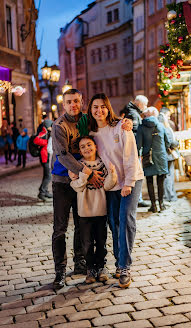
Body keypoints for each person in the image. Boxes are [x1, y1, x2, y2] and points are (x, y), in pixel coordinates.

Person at [51, 88, 132, 290]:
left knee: (83, 225)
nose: (73, 105)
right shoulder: (59, 125)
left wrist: (129, 123)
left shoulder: (89, 119)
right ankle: (60, 272)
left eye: (76, 101)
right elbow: (62, 155)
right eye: (69, 102)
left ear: (81, 101)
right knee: (60, 228)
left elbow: (110, 124)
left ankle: (84, 264)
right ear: (64, 104)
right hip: (63, 180)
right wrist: (86, 170)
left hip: (87, 180)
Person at [88, 93, 144, 288]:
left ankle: (125, 266)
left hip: (131, 179)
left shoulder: (121, 126)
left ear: (108, 108)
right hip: (111, 184)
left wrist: (128, 183)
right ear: (90, 110)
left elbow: (131, 156)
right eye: (95, 107)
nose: (99, 110)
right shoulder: (92, 133)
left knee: (126, 219)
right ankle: (120, 262)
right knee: (114, 222)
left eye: (103, 106)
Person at [69, 136, 117, 284]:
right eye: (82, 147)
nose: (86, 148)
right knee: (87, 243)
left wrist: (112, 172)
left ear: (96, 146)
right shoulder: (79, 166)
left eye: (89, 145)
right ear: (80, 151)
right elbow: (77, 186)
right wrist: (83, 176)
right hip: (85, 211)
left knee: (101, 240)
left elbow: (108, 185)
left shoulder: (102, 164)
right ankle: (90, 268)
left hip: (101, 210)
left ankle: (101, 267)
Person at [137, 107, 170, 213]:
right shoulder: (161, 125)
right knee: (161, 181)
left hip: (148, 158)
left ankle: (153, 206)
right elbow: (167, 142)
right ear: (155, 115)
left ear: (146, 115)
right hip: (161, 157)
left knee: (150, 181)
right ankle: (161, 204)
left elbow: (138, 145)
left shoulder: (141, 127)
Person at [120, 95, 149, 207]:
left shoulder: (131, 111)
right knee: (135, 174)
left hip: (135, 150)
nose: (145, 107)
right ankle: (137, 199)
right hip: (134, 150)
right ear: (139, 104)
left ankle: (137, 198)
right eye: (145, 104)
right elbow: (134, 134)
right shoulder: (133, 114)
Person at [158, 107, 179, 202]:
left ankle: (169, 195)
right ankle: (169, 195)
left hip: (164, 154)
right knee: (168, 176)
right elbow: (169, 141)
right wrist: (176, 144)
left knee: (167, 176)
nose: (169, 117)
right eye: (168, 115)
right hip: (168, 154)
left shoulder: (160, 123)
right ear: (164, 114)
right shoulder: (164, 124)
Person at [34, 119, 53, 201]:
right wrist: (47, 142)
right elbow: (36, 140)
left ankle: (45, 191)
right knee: (49, 176)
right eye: (51, 125)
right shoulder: (44, 132)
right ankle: (42, 192)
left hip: (46, 156)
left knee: (47, 175)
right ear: (48, 126)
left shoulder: (47, 132)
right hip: (44, 157)